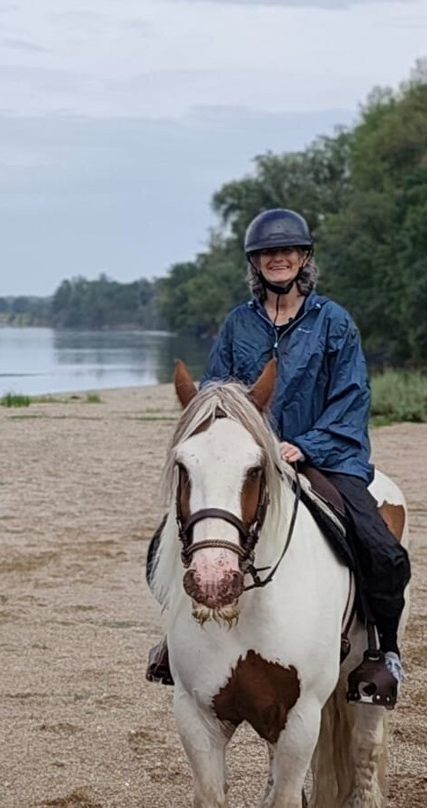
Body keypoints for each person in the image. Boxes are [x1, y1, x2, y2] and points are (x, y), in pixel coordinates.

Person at [147, 208, 411, 707]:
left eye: (288, 251)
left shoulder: (334, 322)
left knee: (381, 549)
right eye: (269, 252)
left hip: (324, 456)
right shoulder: (237, 325)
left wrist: (305, 444)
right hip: (250, 458)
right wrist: (237, 442)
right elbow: (216, 396)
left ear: (304, 258)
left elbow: (351, 397)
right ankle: (174, 641)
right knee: (168, 541)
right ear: (255, 262)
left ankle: (382, 650)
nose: (279, 258)